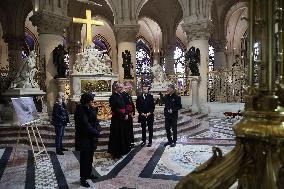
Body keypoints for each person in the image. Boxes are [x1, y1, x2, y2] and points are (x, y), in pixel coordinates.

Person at [74, 93, 101, 188]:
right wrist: (96, 132)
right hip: (84, 138)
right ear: (87, 100)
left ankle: (89, 174)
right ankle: (83, 178)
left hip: (91, 137)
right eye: (91, 99)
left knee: (90, 157)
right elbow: (85, 125)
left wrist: (98, 129)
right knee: (84, 158)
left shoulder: (90, 108)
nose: (92, 101)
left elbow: (96, 121)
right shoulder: (80, 109)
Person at [108, 83, 131, 158]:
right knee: (117, 135)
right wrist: (124, 115)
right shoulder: (112, 97)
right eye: (120, 87)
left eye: (122, 87)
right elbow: (114, 108)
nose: (121, 88)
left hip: (123, 118)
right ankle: (116, 152)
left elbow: (126, 105)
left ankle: (124, 150)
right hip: (117, 119)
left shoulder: (122, 95)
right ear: (115, 88)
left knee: (123, 134)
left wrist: (127, 113)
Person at [122, 83, 135, 148]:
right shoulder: (122, 95)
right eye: (129, 88)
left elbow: (131, 104)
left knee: (130, 128)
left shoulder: (129, 95)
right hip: (126, 114)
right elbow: (124, 105)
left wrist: (132, 112)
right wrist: (127, 113)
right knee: (126, 129)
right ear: (125, 88)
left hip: (130, 114)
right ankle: (127, 142)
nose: (130, 89)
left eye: (130, 88)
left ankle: (131, 141)